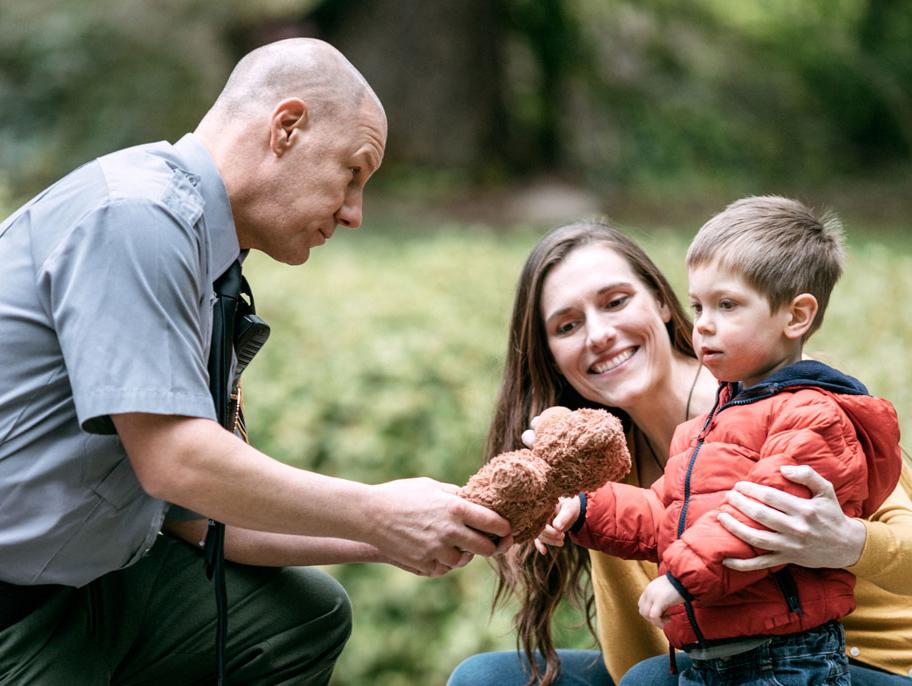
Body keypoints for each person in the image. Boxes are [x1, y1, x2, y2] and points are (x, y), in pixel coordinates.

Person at [0, 38, 511, 685]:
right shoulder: (137, 216)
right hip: (14, 614)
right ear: (287, 127)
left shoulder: (210, 265)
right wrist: (377, 511)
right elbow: (177, 461)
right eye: (352, 173)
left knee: (301, 617)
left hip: (91, 586)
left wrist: (402, 535)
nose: (354, 214)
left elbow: (197, 513)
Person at [447, 216, 912, 686]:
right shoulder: (597, 454)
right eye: (567, 325)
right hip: (697, 662)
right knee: (485, 677)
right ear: (550, 353)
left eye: (616, 302)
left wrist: (851, 544)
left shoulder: (787, 403)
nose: (598, 334)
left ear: (661, 303)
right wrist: (576, 504)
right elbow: (631, 651)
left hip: (845, 663)